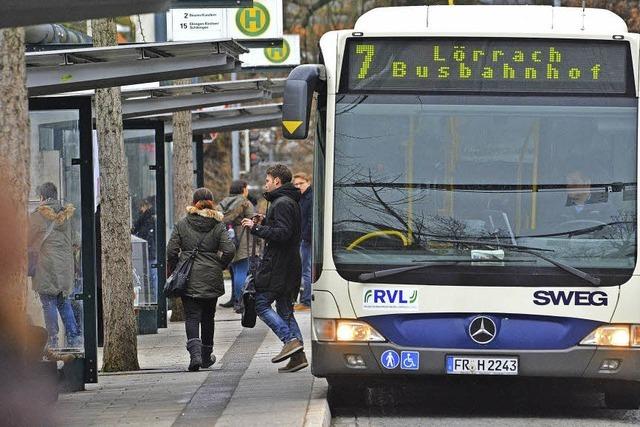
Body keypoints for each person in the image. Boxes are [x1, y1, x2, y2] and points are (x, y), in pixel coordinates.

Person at [241, 164, 307, 373]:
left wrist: (257, 228)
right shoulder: (287, 201)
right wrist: (265, 221)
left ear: (277, 181)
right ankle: (298, 357)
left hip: (279, 265)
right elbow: (283, 228)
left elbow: (283, 233)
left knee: (260, 303)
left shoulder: (282, 202)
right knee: (286, 309)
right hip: (288, 264)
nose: (265, 184)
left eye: (268, 180)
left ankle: (290, 341)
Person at [167, 188, 235, 371]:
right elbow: (229, 250)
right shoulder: (218, 225)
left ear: (194, 202)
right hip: (211, 275)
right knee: (208, 317)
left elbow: (171, 250)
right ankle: (206, 356)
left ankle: (194, 356)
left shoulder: (182, 223)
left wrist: (176, 268)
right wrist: (219, 264)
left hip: (188, 277)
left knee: (192, 316)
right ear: (212, 202)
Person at [29, 182, 81, 348]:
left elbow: (26, 237)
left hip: (46, 265)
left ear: (42, 197)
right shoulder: (66, 214)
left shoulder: (38, 215)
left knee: (48, 303)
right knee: (63, 301)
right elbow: (76, 240)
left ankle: (53, 339)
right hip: (65, 266)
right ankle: (73, 337)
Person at [218, 180, 254, 310]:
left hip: (227, 238)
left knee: (234, 269)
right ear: (243, 189)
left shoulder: (223, 202)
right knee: (241, 271)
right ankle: (240, 302)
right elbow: (252, 219)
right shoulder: (245, 202)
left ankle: (234, 299)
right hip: (243, 238)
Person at [293, 172, 313, 311]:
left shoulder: (310, 198)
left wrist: (305, 236)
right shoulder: (300, 198)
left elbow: (311, 220)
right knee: (303, 270)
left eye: (301, 183)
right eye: (296, 184)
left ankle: (306, 301)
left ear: (308, 182)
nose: (298, 186)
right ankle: (304, 299)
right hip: (302, 238)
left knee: (306, 270)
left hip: (307, 239)